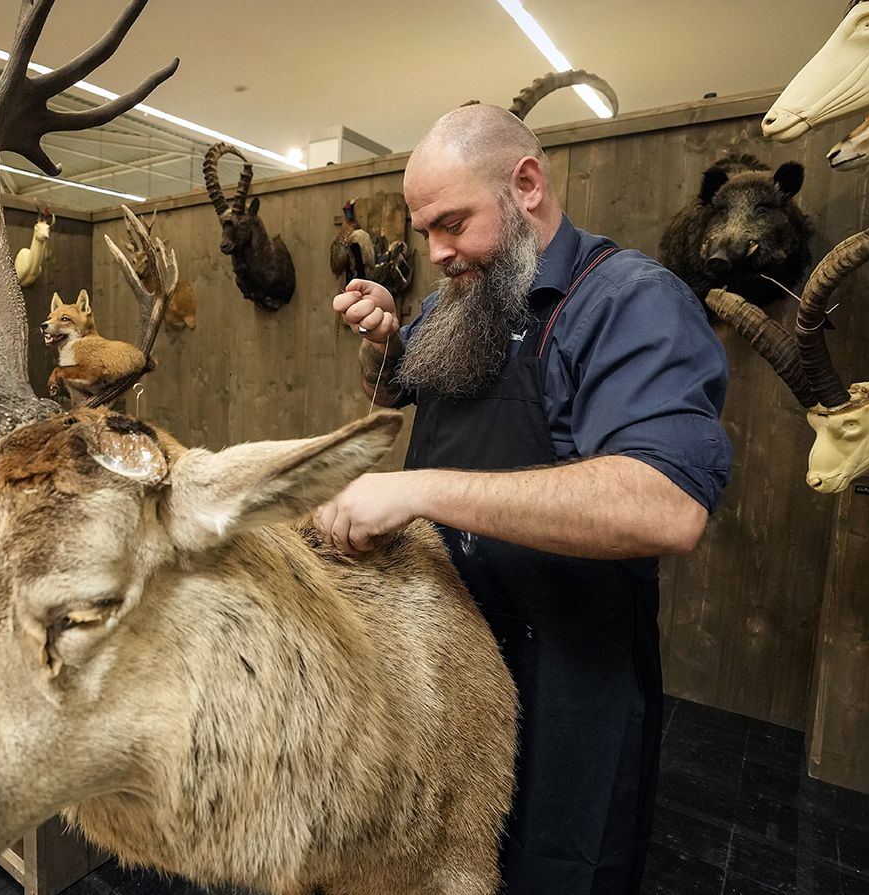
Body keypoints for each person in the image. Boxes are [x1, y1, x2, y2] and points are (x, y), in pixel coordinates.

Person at [319, 103, 733, 894]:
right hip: (447, 655)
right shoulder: (456, 304)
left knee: (553, 867)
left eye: (452, 223)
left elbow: (666, 503)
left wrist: (419, 489)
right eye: (425, 231)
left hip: (565, 671)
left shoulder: (632, 302)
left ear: (528, 184)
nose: (437, 252)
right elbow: (392, 393)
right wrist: (379, 348)